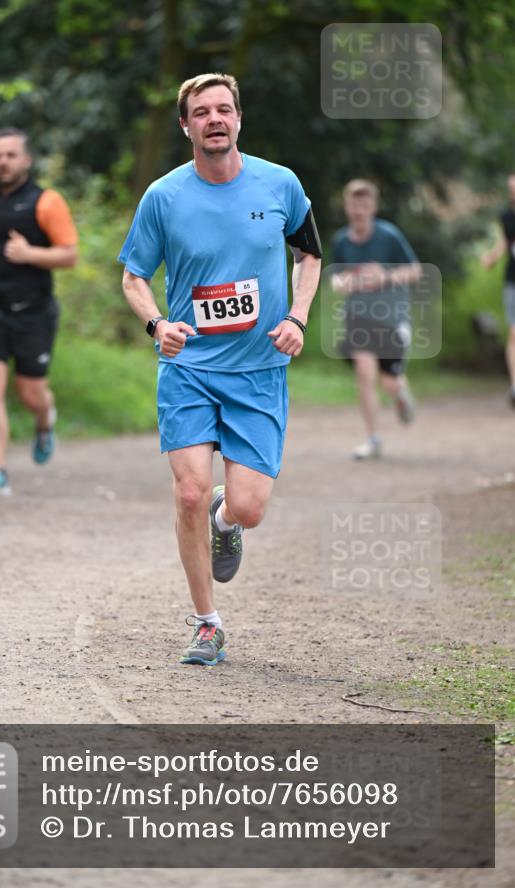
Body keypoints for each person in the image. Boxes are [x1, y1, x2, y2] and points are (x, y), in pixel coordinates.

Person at [119, 73, 322, 666]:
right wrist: (157, 324)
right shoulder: (163, 196)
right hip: (189, 367)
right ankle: (207, 622)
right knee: (187, 491)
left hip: (258, 370)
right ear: (186, 126)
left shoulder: (280, 184)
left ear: (238, 119)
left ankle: (226, 517)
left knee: (250, 507)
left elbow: (310, 254)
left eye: (224, 109)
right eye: (202, 112)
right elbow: (133, 277)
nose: (215, 119)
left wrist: (299, 317)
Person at [0, 128, 78, 495]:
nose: (3, 162)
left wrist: (29, 254)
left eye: (10, 155)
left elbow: (69, 255)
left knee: (30, 392)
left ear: (26, 160)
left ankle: (44, 419)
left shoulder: (47, 202)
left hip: (34, 311)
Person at [330, 179, 422, 460]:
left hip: (390, 319)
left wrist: (385, 277)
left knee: (389, 382)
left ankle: (400, 392)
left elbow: (415, 271)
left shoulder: (389, 236)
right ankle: (373, 439)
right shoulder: (341, 240)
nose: (358, 211)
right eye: (354, 205)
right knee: (364, 373)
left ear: (373, 207)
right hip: (358, 319)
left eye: (364, 205)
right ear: (347, 207)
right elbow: (336, 278)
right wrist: (344, 282)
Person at [481, 174, 515, 408]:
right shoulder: (506, 217)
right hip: (512, 279)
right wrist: (491, 258)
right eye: (511, 189)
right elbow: (505, 242)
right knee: (514, 332)